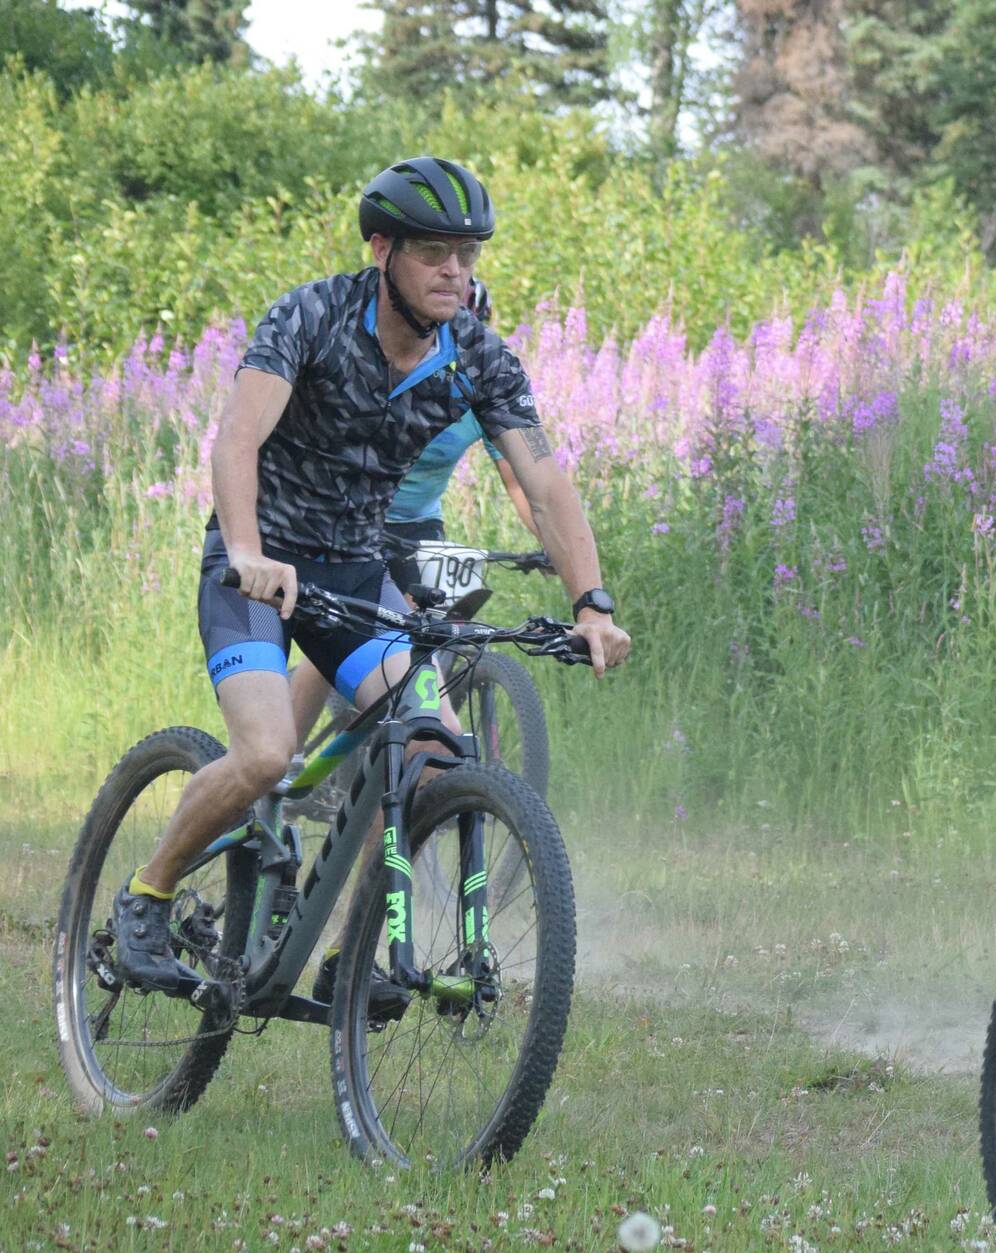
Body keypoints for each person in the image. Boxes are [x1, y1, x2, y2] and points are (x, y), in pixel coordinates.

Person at [112, 156, 631, 1000]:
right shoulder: (313, 316)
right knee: (267, 754)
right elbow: (237, 439)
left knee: (430, 747)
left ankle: (350, 959)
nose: (454, 272)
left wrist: (592, 603)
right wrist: (246, 549)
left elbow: (543, 479)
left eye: (466, 254)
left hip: (357, 575)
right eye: (434, 252)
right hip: (257, 569)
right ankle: (148, 893)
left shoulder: (476, 355)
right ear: (383, 249)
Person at [283, 276, 544, 744]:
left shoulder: (477, 390)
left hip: (421, 522)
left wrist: (549, 547)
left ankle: (407, 746)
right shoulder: (400, 377)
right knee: (340, 626)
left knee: (438, 624)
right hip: (361, 516)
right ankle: (287, 757)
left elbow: (521, 483)